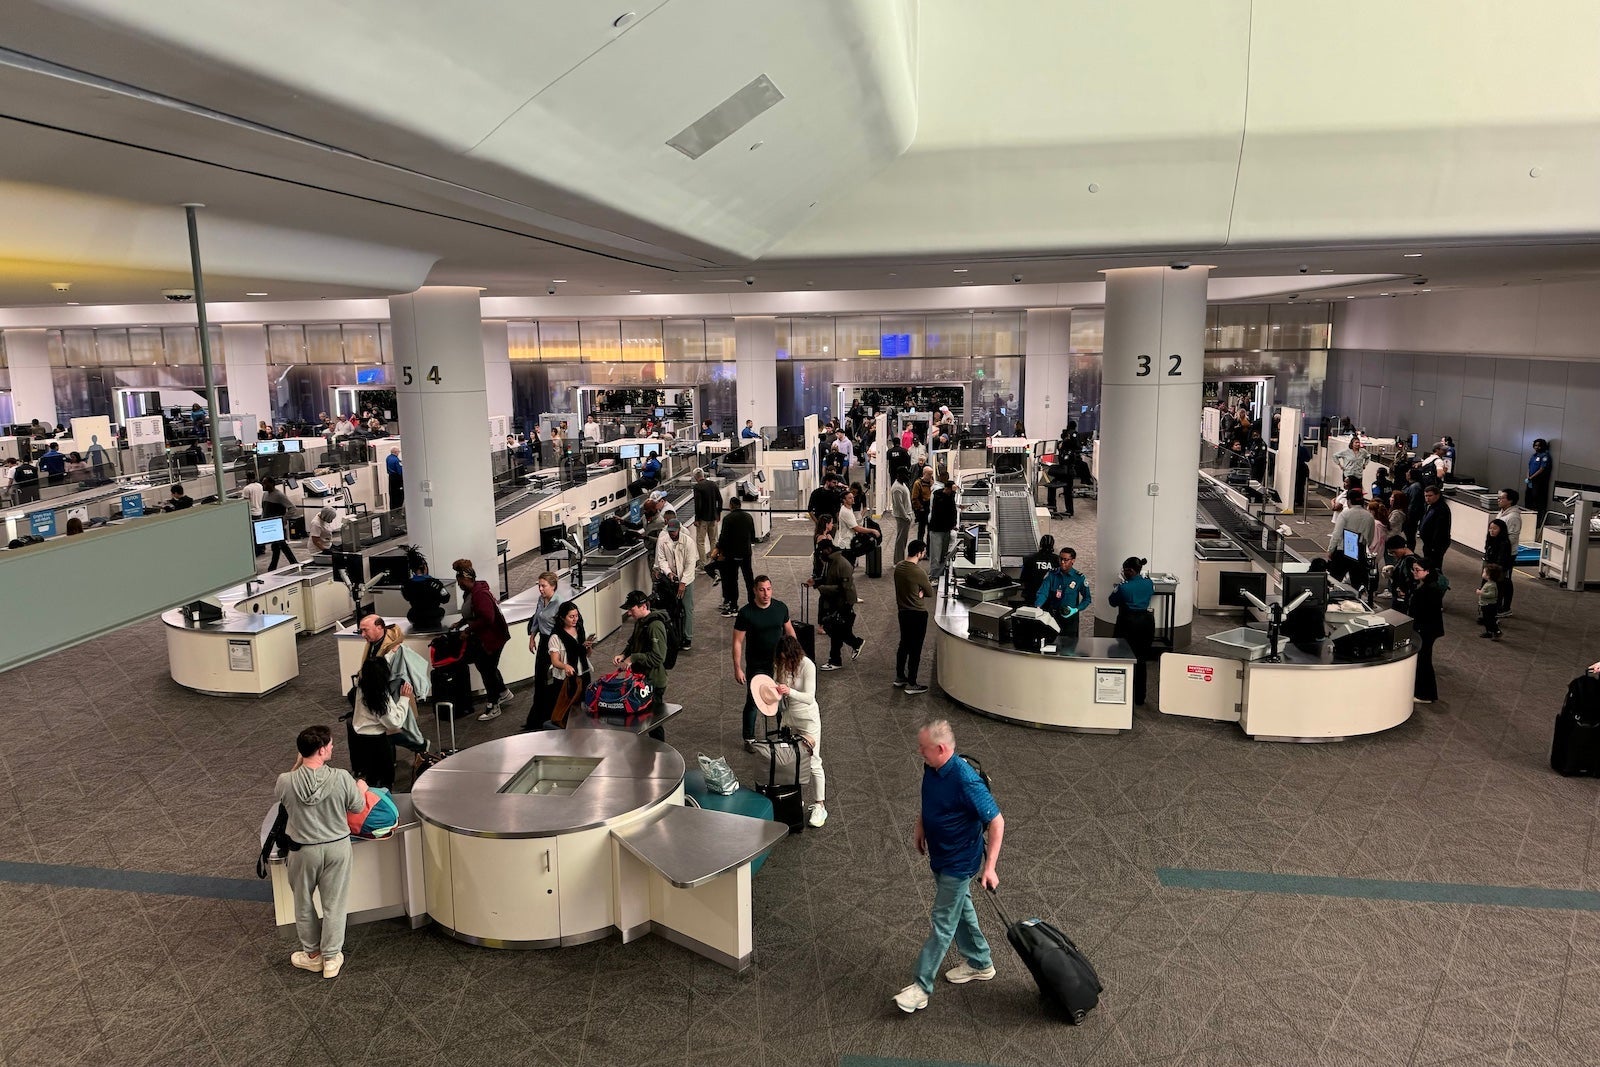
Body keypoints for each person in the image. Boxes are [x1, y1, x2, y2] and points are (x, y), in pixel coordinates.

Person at [894, 719, 1003, 1014]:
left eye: (924, 748)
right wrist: (921, 826)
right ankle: (980, 961)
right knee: (961, 908)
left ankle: (921, 987)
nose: (919, 752)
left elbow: (996, 821)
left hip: (959, 861)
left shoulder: (966, 780)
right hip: (941, 855)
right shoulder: (933, 768)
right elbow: (929, 799)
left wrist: (989, 867)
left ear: (941, 749)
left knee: (943, 922)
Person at [275, 725, 366, 980]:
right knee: (334, 904)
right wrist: (361, 788)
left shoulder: (286, 780)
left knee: (303, 902)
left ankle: (312, 955)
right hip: (337, 848)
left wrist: (297, 766)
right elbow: (357, 807)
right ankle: (332, 958)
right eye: (331, 745)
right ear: (322, 749)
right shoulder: (341, 777)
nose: (333, 748)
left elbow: (283, 797)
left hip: (303, 851)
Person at [766, 634, 827, 826]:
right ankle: (793, 797)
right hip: (789, 717)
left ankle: (820, 805)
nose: (785, 663)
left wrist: (788, 691)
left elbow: (809, 697)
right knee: (788, 760)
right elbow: (776, 686)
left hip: (808, 719)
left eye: (788, 659)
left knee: (814, 761)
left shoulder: (808, 665)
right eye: (782, 659)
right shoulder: (780, 664)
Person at [344, 655, 427, 788]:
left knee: (369, 779)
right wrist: (404, 699)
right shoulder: (378, 696)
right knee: (384, 781)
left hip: (360, 739)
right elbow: (394, 723)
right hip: (377, 742)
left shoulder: (361, 687)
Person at [732, 575, 796, 744]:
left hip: (778, 664)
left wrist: (795, 657)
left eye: (768, 589)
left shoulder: (780, 608)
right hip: (756, 665)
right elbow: (737, 642)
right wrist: (737, 667)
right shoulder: (746, 613)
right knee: (753, 701)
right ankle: (749, 738)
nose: (766, 593)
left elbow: (790, 633)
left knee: (781, 700)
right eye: (761, 590)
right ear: (755, 590)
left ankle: (784, 734)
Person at [451, 559, 511, 721]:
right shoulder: (470, 593)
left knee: (487, 670)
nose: (459, 585)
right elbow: (473, 614)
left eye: (460, 581)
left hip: (493, 638)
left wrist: (468, 630)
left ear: (466, 579)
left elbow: (487, 618)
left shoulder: (480, 594)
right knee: (486, 667)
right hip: (485, 638)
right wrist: (461, 623)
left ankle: (493, 705)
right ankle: (503, 692)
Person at [614, 590, 670, 739]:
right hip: (641, 680)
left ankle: (659, 752)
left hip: (653, 682)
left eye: (631, 609)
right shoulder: (641, 622)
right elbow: (633, 643)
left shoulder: (655, 626)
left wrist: (633, 658)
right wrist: (623, 655)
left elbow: (658, 657)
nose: (629, 613)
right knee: (640, 718)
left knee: (653, 723)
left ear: (643, 606)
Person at [531, 601, 593, 731]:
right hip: (565, 679)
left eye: (576, 615)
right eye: (571, 616)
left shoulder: (580, 630)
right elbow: (555, 661)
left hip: (583, 673)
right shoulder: (555, 637)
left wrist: (588, 647)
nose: (575, 619)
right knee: (568, 707)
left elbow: (586, 655)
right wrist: (565, 666)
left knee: (584, 704)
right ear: (562, 618)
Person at [807, 540, 863, 670]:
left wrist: (820, 587)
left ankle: (835, 660)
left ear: (828, 549)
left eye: (822, 551)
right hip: (834, 601)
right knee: (835, 629)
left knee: (836, 630)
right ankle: (856, 643)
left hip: (843, 602)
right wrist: (816, 581)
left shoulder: (842, 564)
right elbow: (828, 578)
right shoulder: (831, 561)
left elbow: (843, 588)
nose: (821, 554)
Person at [1109, 556, 1156, 707]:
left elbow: (1112, 601)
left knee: (1122, 657)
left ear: (1129, 571)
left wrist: (1122, 584)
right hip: (1146, 623)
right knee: (1141, 660)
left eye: (1124, 570)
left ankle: (1122, 692)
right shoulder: (1148, 583)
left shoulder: (1124, 587)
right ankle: (1140, 697)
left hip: (1127, 623)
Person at [894, 539, 935, 695]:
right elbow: (930, 592)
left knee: (904, 644)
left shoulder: (899, 567)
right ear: (919, 553)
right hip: (918, 613)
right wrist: (922, 591)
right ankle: (912, 683)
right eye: (923, 552)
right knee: (916, 648)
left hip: (903, 611)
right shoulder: (918, 572)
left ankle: (899, 677)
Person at [655, 513, 698, 650]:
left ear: (679, 529)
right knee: (671, 608)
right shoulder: (663, 541)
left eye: (674, 531)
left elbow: (690, 564)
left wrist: (683, 583)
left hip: (687, 579)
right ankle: (673, 636)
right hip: (670, 579)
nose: (672, 534)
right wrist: (668, 573)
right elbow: (661, 560)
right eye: (670, 531)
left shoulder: (688, 542)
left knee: (687, 608)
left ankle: (687, 637)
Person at [1035, 546, 1091, 645]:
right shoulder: (1052, 575)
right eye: (1060, 559)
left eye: (1066, 560)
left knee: (1069, 647)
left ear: (1073, 561)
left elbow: (1087, 598)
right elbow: (1043, 592)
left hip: (1070, 618)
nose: (1062, 562)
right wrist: (1038, 606)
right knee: (1052, 644)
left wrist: (1076, 609)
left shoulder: (1079, 578)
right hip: (1054, 617)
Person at [1408, 557, 1445, 704]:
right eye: (1414, 570)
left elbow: (1423, 611)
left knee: (1424, 661)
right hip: (1429, 629)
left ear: (1427, 571)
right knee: (1424, 660)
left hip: (1426, 630)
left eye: (1417, 570)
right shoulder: (1429, 586)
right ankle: (1424, 692)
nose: (1414, 572)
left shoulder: (1428, 590)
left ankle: (1426, 694)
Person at [715, 495, 757, 614]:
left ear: (731, 506)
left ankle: (733, 606)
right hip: (746, 553)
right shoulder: (748, 517)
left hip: (732, 555)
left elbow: (723, 537)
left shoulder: (728, 519)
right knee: (749, 579)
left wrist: (718, 549)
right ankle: (753, 603)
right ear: (740, 505)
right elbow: (753, 536)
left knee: (732, 580)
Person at [260, 477, 298, 568]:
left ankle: (292, 563)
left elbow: (292, 508)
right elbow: (264, 509)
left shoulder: (279, 495)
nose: (263, 486)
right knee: (277, 546)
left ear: (272, 484)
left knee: (281, 545)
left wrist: (284, 519)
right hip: (269, 525)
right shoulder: (265, 495)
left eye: (265, 484)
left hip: (276, 525)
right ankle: (277, 565)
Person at [837, 487, 881, 566]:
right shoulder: (845, 512)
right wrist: (872, 530)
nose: (853, 499)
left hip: (848, 542)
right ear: (844, 500)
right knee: (848, 567)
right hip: (846, 545)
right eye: (850, 498)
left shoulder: (848, 509)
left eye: (853, 497)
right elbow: (857, 528)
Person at [926, 478, 958, 580]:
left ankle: (941, 573)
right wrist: (952, 494)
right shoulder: (938, 496)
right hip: (937, 529)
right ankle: (933, 575)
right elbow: (944, 509)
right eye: (952, 491)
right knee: (936, 554)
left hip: (946, 529)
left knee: (944, 554)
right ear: (947, 489)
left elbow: (952, 510)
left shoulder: (949, 496)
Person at [1483, 518, 1515, 621]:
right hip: (1490, 570)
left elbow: (1501, 561)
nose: (1491, 531)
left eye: (1495, 528)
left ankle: (1494, 616)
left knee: (1496, 593)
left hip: (1497, 573)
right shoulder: (1490, 540)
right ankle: (1488, 615)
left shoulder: (1504, 543)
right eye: (1490, 528)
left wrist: (1491, 572)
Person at [1418, 485, 1452, 568]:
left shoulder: (1441, 509)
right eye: (1426, 496)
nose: (1427, 498)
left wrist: (1434, 546)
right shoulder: (1430, 506)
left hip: (1435, 545)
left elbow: (1440, 529)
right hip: (1428, 543)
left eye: (1430, 496)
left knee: (1434, 566)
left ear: (1437, 495)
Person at [692, 469, 721, 564]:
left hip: (703, 519)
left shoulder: (697, 487)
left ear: (696, 477)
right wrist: (718, 514)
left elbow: (698, 504)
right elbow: (720, 500)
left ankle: (703, 564)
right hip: (713, 517)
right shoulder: (713, 484)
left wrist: (697, 519)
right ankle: (713, 561)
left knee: (700, 542)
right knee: (713, 540)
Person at [1019, 534, 1057, 606]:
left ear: (1040, 544)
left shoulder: (1029, 559)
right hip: (1050, 596)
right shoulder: (1057, 560)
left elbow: (1023, 577)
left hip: (1032, 595)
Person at [1383, 535, 1416, 610]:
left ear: (1403, 547)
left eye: (1394, 552)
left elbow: (1412, 582)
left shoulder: (1410, 562)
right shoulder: (1403, 558)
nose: (1393, 555)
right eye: (1391, 553)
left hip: (1404, 601)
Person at [890, 469, 915, 562]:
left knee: (902, 539)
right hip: (902, 517)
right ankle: (898, 561)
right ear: (899, 475)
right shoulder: (897, 488)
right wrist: (906, 517)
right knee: (901, 540)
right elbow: (898, 505)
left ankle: (899, 559)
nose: (907, 477)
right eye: (905, 475)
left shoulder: (902, 484)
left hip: (905, 515)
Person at [1525, 438, 1553, 522]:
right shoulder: (1534, 456)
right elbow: (1529, 467)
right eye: (1535, 445)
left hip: (1539, 482)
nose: (1537, 447)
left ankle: (1537, 521)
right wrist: (1528, 476)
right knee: (1528, 499)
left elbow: (1542, 469)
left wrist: (1532, 477)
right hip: (1530, 481)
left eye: (1539, 446)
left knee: (1536, 501)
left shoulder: (1545, 456)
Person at [1043, 447, 1075, 519]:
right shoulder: (1063, 452)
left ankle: (1069, 510)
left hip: (1068, 475)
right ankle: (1051, 504)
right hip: (1063, 474)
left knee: (1068, 493)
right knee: (1051, 485)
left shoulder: (1068, 453)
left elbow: (1065, 462)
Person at [241, 471, 265, 555]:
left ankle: (256, 551)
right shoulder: (260, 486)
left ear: (247, 478)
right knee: (259, 532)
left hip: (252, 513)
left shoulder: (247, 488)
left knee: (253, 533)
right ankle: (262, 548)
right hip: (260, 511)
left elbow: (245, 501)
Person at [1477, 564, 1504, 640]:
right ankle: (1489, 631)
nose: (1483, 573)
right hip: (1485, 604)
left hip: (1489, 606)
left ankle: (1496, 631)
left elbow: (1492, 594)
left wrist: (1481, 593)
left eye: (1484, 572)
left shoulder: (1492, 585)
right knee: (1486, 619)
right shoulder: (1488, 583)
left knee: (1490, 620)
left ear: (1489, 576)